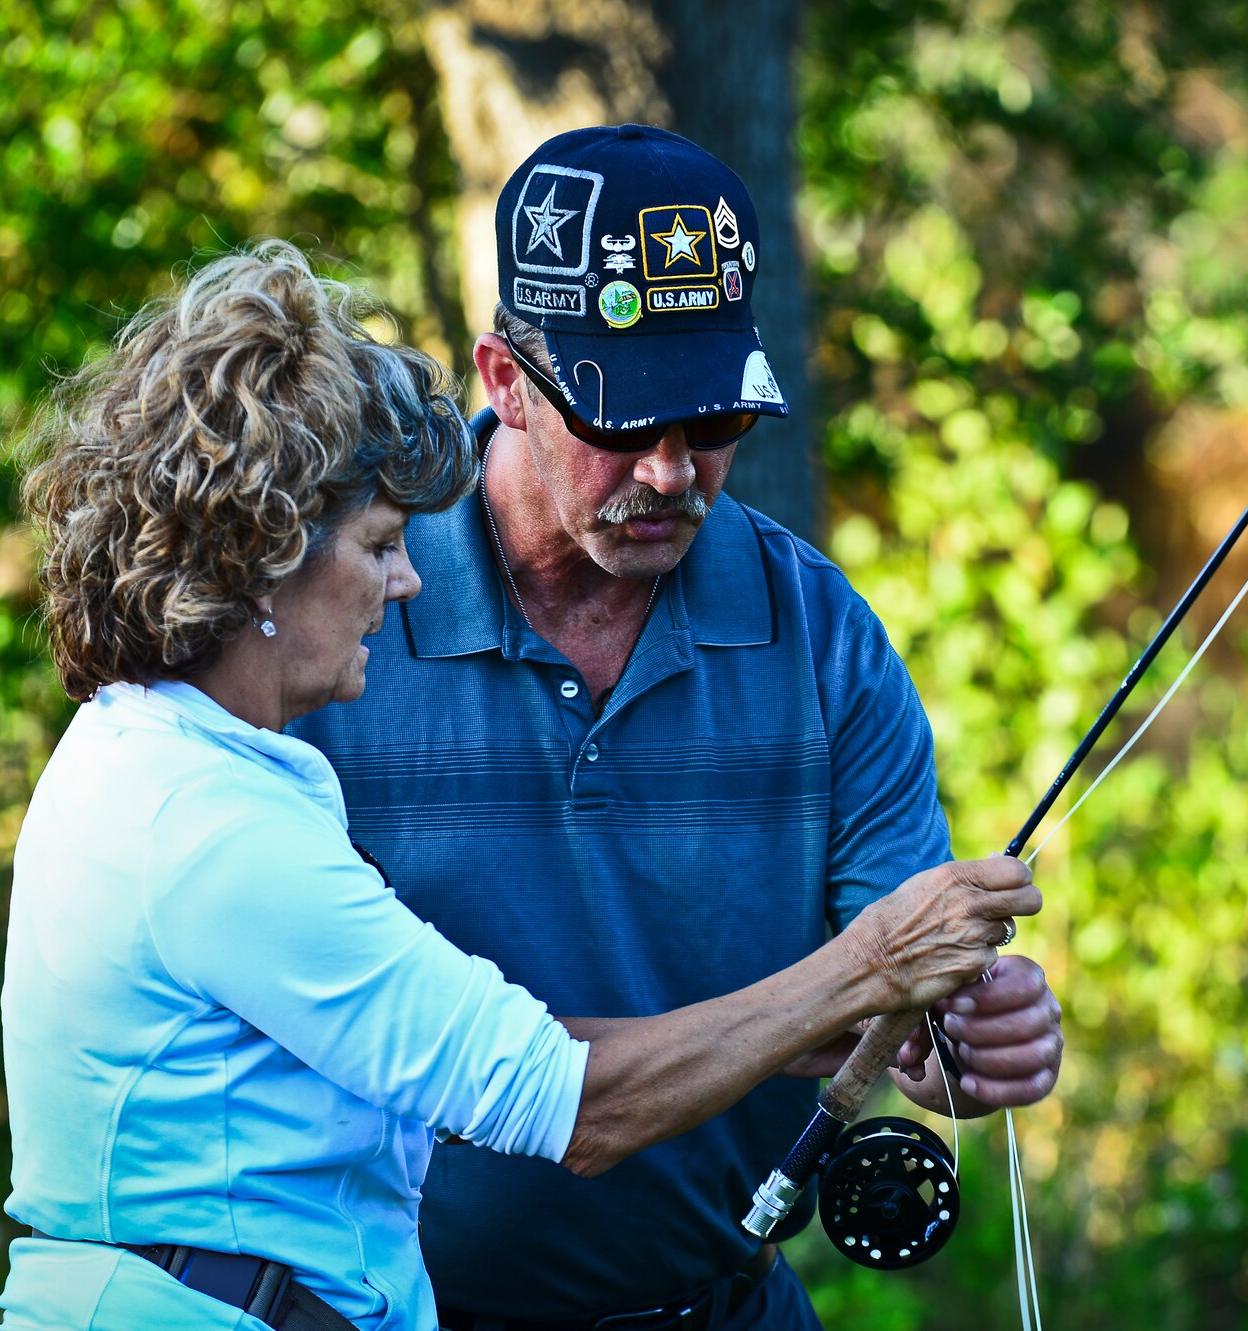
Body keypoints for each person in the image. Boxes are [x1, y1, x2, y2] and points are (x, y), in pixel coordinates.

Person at [0, 242, 1039, 1331]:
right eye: (379, 543)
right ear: (257, 554)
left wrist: (866, 1016)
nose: (403, 580)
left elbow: (434, 1040)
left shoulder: (169, 763)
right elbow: (565, 1101)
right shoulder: (204, 824)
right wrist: (870, 966)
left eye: (714, 427)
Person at [291, 126, 1066, 1330]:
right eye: (621, 421)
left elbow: (893, 996)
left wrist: (959, 1037)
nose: (670, 473)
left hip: (727, 1304)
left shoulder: (817, 629)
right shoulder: (339, 612)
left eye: (711, 424)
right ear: (504, 379)